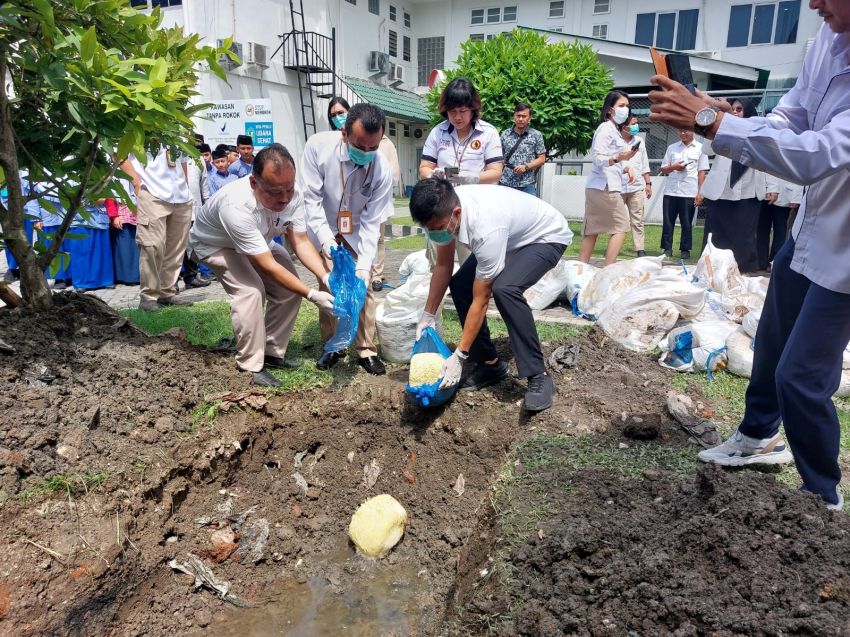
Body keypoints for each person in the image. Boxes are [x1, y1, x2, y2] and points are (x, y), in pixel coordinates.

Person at [648, 0, 850, 510]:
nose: (813, 5)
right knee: (772, 347)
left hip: (846, 253)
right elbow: (793, 114)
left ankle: (821, 494)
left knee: (801, 377)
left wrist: (714, 123)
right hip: (810, 230)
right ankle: (760, 435)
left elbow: (816, 155)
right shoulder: (828, 39)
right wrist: (722, 114)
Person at [411, 178, 573, 412]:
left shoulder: (485, 227)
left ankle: (539, 376)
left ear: (456, 213)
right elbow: (444, 267)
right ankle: (490, 365)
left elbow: (481, 299)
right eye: (429, 229)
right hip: (510, 236)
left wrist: (460, 355)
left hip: (545, 236)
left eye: (436, 229)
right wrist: (428, 314)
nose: (433, 234)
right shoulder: (443, 212)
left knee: (505, 289)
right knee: (460, 285)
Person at [188, 144, 334, 387]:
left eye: (288, 189)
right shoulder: (235, 204)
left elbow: (299, 240)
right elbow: (265, 263)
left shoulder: (293, 195)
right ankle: (250, 366)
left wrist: (324, 276)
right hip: (214, 244)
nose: (284, 198)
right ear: (254, 183)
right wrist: (311, 294)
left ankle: (271, 352)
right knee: (250, 291)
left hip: (258, 240)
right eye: (275, 192)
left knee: (288, 288)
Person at [301, 102, 394, 375]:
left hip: (358, 231)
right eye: (360, 146)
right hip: (324, 225)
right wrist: (327, 241)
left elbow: (371, 221)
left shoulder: (381, 169)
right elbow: (312, 202)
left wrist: (364, 265)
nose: (366, 153)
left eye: (372, 148)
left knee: (362, 287)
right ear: (344, 134)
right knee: (329, 285)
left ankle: (365, 348)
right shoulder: (318, 148)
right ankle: (334, 346)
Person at [120, 147, 195, 311]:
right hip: (152, 191)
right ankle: (148, 297)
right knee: (152, 246)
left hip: (180, 195)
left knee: (176, 248)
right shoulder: (141, 126)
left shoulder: (180, 129)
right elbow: (119, 154)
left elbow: (182, 161)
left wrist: (186, 187)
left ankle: (167, 292)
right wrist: (136, 182)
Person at [699, 98, 767, 274]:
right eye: (733, 109)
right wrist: (713, 126)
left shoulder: (759, 131)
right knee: (717, 235)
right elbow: (707, 150)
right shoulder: (722, 130)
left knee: (743, 237)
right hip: (721, 192)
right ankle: (712, 271)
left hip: (748, 192)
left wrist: (772, 187)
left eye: (739, 109)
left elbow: (767, 161)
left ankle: (743, 272)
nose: (736, 112)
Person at [580, 90, 638, 265]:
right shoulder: (606, 128)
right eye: (621, 106)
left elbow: (614, 157)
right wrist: (619, 158)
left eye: (627, 106)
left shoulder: (614, 130)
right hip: (604, 187)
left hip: (600, 186)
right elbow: (598, 158)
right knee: (621, 226)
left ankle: (580, 269)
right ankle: (608, 269)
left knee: (592, 230)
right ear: (609, 110)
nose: (625, 110)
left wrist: (626, 166)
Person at [659, 129, 709, 260]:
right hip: (671, 191)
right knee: (668, 221)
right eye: (680, 131)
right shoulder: (672, 147)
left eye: (685, 131)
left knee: (686, 223)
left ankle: (685, 249)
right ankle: (667, 248)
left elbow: (702, 172)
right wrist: (674, 167)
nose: (682, 134)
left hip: (689, 191)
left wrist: (700, 193)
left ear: (693, 132)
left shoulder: (701, 148)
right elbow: (663, 169)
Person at [498, 102, 547, 196]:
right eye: (518, 116)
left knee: (529, 210)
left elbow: (542, 159)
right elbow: (499, 159)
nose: (520, 119)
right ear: (514, 116)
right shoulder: (505, 134)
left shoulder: (536, 135)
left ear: (530, 118)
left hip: (527, 185)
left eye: (524, 116)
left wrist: (526, 166)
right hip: (506, 183)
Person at [620, 116, 652, 257]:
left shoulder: (640, 141)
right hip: (618, 188)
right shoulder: (615, 141)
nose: (636, 126)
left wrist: (648, 183)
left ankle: (640, 249)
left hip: (637, 187)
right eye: (633, 124)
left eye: (636, 123)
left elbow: (644, 163)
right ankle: (614, 246)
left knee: (637, 220)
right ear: (624, 126)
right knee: (618, 220)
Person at [757, 174, 802, 271]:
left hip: (785, 193)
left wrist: (796, 197)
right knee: (761, 228)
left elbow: (801, 169)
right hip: (763, 191)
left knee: (781, 230)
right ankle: (761, 261)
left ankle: (775, 261)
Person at [106, 180, 140, 286]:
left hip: (139, 209)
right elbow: (109, 198)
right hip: (121, 211)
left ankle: (140, 275)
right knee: (125, 247)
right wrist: (114, 216)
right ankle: (128, 277)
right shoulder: (112, 174)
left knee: (139, 245)